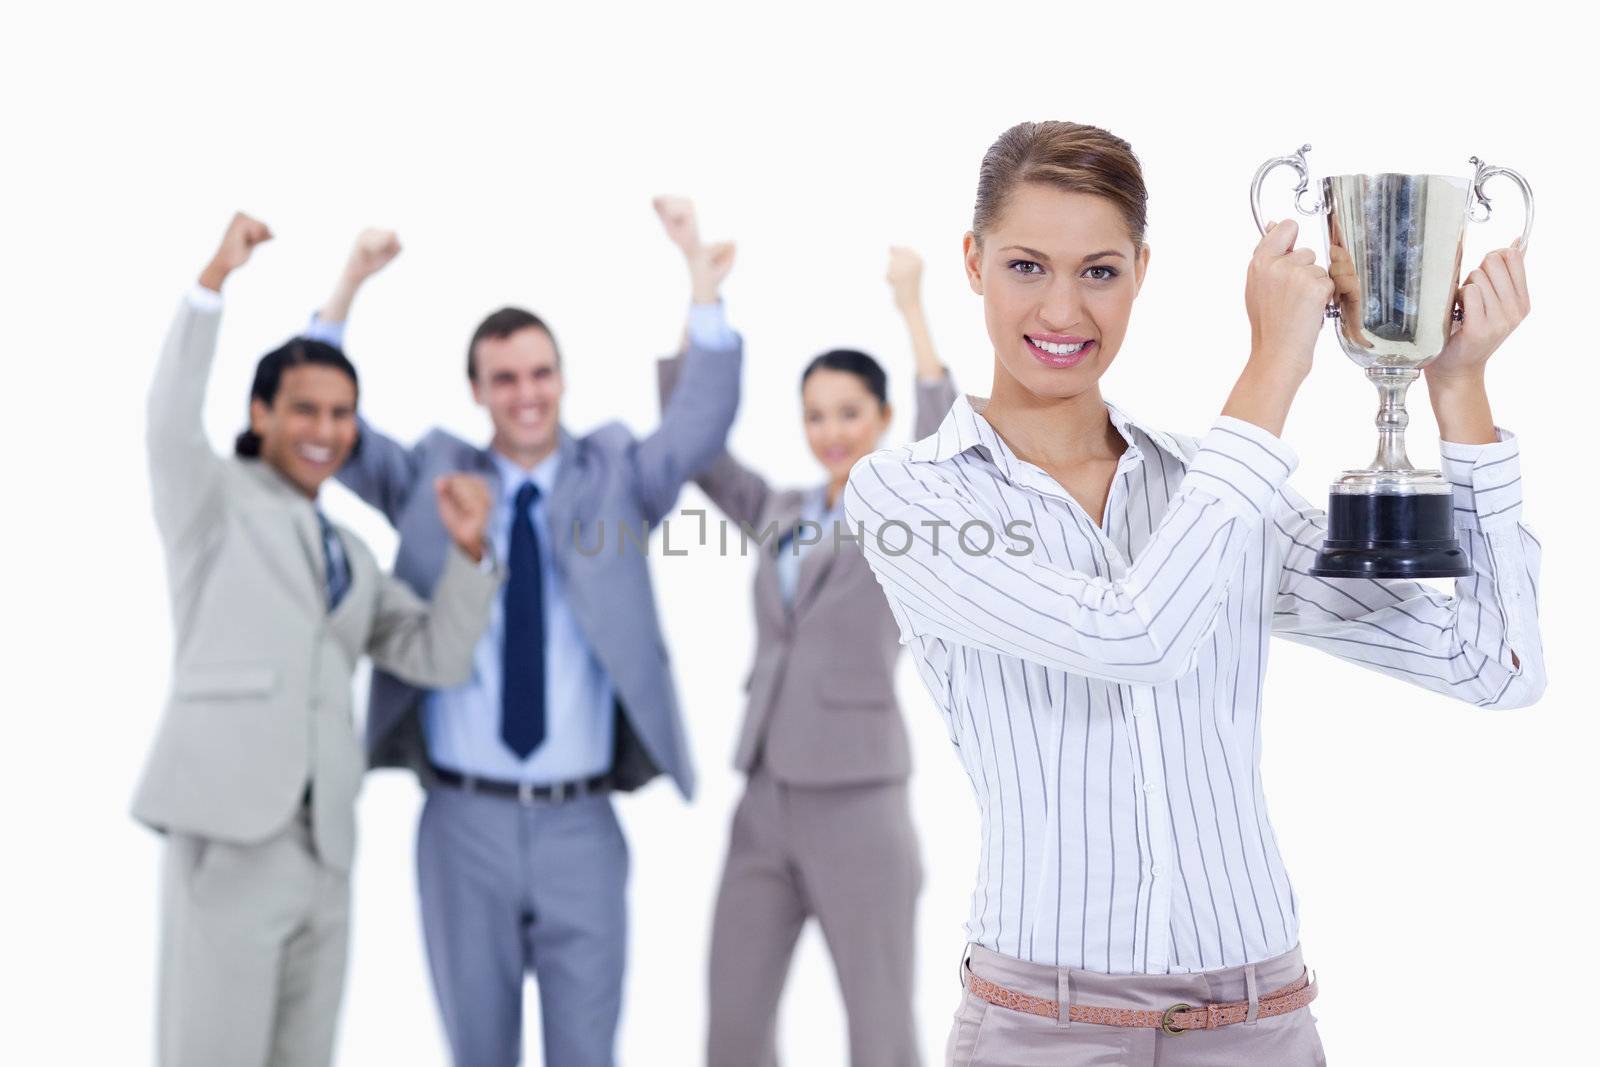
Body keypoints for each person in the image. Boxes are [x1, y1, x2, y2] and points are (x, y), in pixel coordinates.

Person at [842, 121, 1546, 1066]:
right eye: (1024, 266)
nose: (1061, 309)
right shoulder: (910, 497)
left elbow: (1495, 666)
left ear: (1141, 270)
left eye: (1098, 271)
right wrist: (1273, 367)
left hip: (1257, 1019)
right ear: (972, 263)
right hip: (1044, 1029)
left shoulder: (1208, 488)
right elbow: (1137, 634)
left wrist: (1460, 391)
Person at [313, 206, 742, 1067]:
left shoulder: (617, 474)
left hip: (581, 822)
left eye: (541, 372)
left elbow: (698, 425)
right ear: (476, 389)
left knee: (588, 1054)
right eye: (504, 378)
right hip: (460, 823)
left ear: (563, 378)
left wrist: (702, 288)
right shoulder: (433, 474)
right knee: (480, 1053)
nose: (527, 393)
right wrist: (346, 289)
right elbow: (328, 431)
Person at [135, 213, 501, 1067]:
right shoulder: (210, 502)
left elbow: (434, 655)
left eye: (343, 414)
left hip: (325, 845)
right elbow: (167, 419)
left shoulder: (352, 550)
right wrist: (211, 284)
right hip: (230, 836)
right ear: (261, 411)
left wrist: (471, 554)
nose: (325, 429)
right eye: (305, 408)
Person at [657, 209, 958, 1066]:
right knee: (734, 1022)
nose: (831, 430)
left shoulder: (905, 516)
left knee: (878, 1022)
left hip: (860, 797)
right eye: (815, 414)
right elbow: (694, 450)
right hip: (763, 793)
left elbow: (945, 445)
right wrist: (701, 298)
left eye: (849, 412)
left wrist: (911, 306)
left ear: (883, 415)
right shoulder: (780, 511)